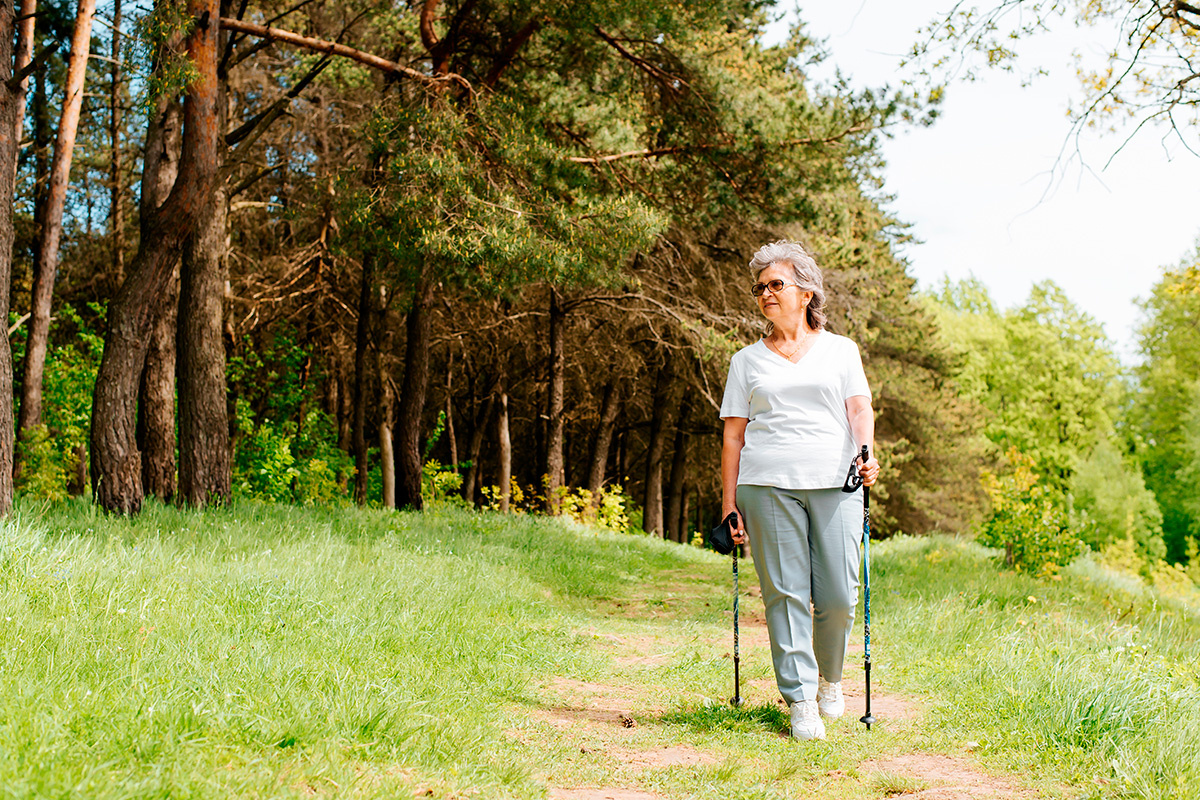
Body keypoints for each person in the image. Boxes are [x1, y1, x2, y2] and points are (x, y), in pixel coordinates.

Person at [719, 239, 880, 740]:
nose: (766, 293)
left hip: (836, 480)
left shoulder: (841, 350)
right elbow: (733, 434)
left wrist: (867, 451)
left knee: (839, 595)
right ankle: (801, 700)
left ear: (806, 292)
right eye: (760, 288)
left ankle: (831, 679)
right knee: (784, 595)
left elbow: (858, 409)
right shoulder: (746, 360)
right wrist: (728, 503)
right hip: (765, 484)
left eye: (776, 284)